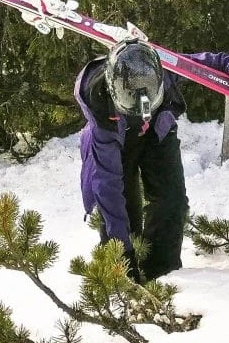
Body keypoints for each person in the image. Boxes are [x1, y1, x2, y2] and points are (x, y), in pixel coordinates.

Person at [75, 37, 229, 282]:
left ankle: (162, 275)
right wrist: (123, 253)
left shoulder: (163, 69)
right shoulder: (99, 106)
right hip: (117, 141)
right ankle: (124, 279)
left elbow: (205, 65)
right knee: (123, 207)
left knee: (172, 201)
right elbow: (108, 188)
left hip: (157, 134)